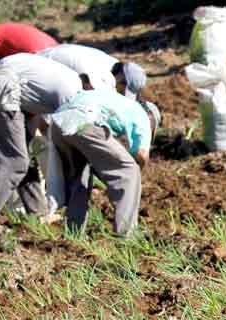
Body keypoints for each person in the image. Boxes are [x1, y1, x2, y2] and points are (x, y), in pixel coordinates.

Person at [0, 53, 81, 233]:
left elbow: (42, 121)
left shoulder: (68, 83)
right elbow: (63, 139)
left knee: (26, 156)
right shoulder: (74, 94)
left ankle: (38, 212)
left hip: (8, 87)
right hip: (5, 89)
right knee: (13, 161)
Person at [45, 89, 157, 237]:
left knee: (79, 178)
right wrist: (135, 175)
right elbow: (141, 155)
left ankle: (73, 234)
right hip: (85, 120)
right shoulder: (142, 115)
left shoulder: (118, 101)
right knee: (129, 171)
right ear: (151, 119)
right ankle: (127, 234)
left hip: (59, 122)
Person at [37, 44, 146, 96]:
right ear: (121, 78)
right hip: (40, 68)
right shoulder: (95, 74)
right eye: (123, 90)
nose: (120, 93)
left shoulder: (112, 63)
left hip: (47, 55)